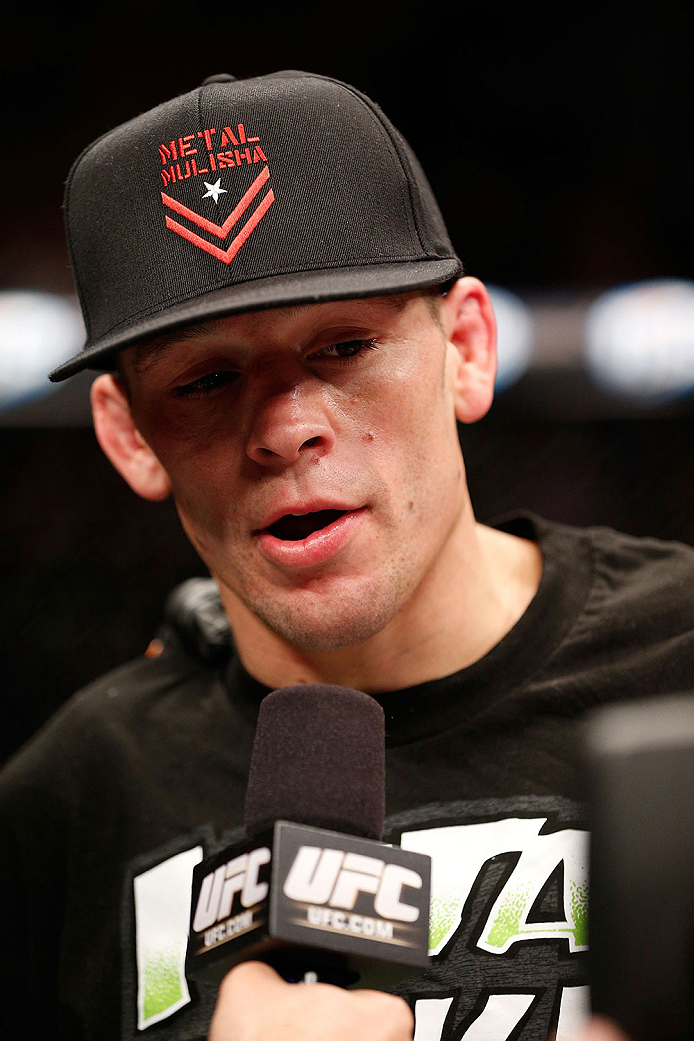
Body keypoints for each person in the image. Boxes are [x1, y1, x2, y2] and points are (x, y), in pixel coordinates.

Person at [1, 70, 691, 1041]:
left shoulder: (680, 665)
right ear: (127, 438)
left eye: (341, 348)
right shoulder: (70, 800)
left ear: (467, 348)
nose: (285, 429)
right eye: (205, 379)